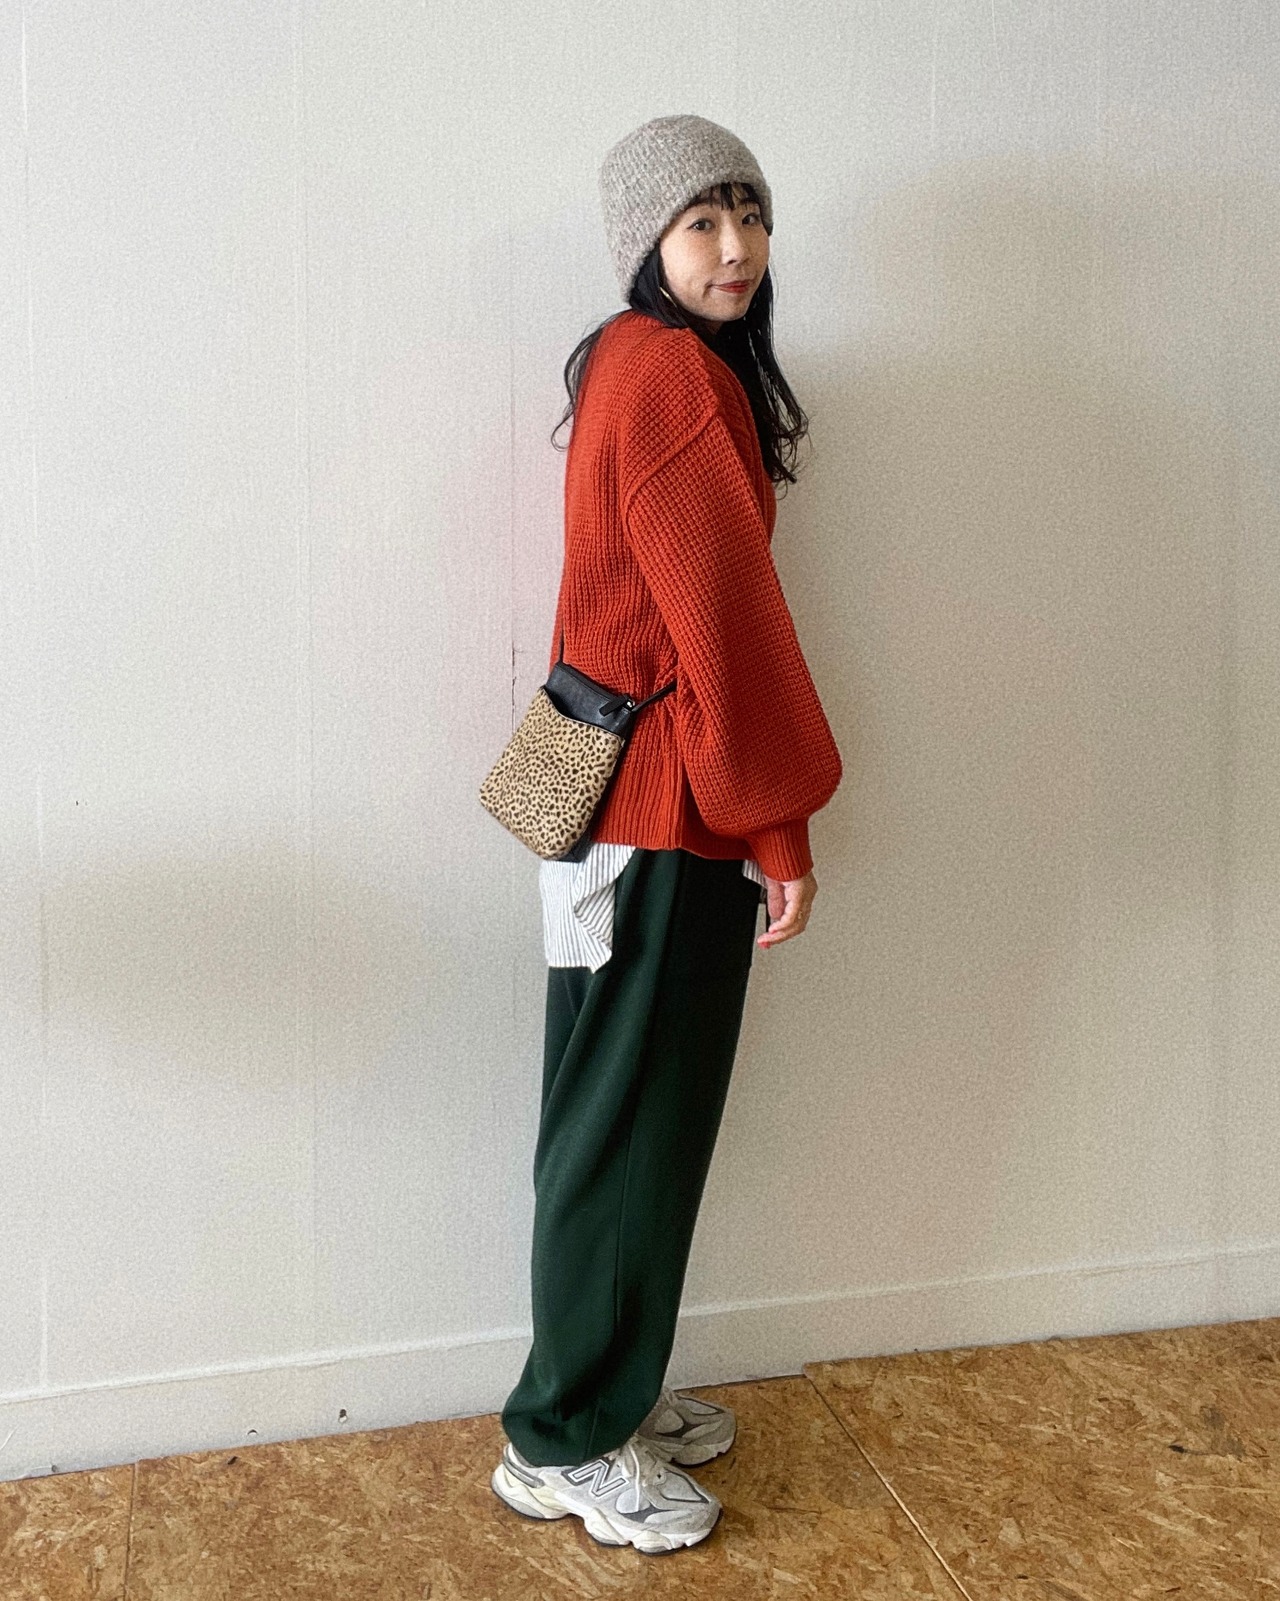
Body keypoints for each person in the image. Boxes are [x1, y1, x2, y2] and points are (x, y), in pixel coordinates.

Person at [489, 113, 844, 1555]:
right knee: (628, 1129)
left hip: (603, 798)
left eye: (750, 213)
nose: (737, 246)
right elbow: (728, 629)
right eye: (702, 220)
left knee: (608, 1119)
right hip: (661, 807)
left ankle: (602, 1391)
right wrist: (782, 828)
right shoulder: (676, 376)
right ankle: (567, 1435)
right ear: (646, 240)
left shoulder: (629, 364)